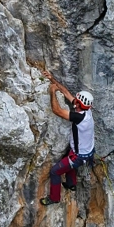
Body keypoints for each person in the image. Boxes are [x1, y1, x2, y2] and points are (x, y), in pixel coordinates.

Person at [40, 71, 95, 205]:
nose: (74, 101)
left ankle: (54, 198)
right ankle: (71, 184)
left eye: (76, 101)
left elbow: (57, 110)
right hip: (87, 152)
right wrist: (52, 79)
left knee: (55, 172)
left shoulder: (79, 118)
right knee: (68, 155)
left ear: (78, 104)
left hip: (79, 157)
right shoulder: (86, 111)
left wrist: (52, 92)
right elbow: (66, 93)